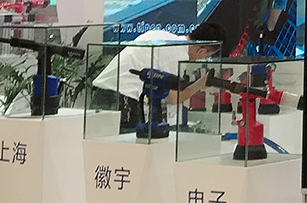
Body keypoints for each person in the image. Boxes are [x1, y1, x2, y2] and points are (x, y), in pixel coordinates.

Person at [91, 21, 227, 128]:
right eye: (207, 56)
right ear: (201, 50)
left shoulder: (161, 35)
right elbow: (173, 98)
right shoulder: (177, 54)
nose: (203, 59)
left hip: (100, 93)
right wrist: (200, 84)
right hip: (121, 99)